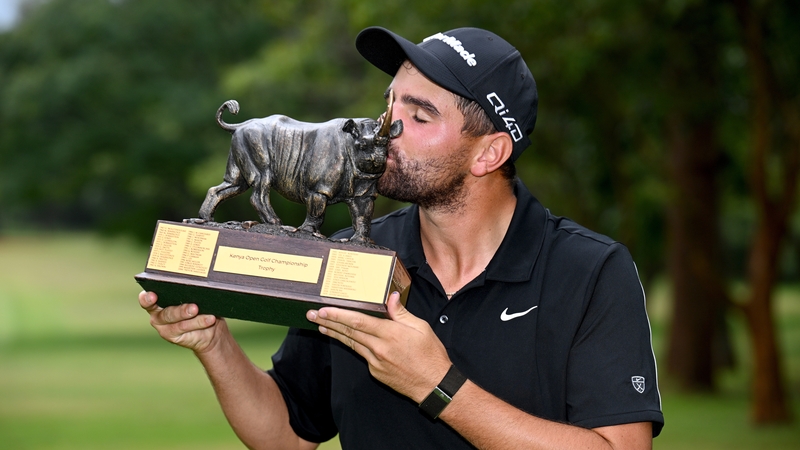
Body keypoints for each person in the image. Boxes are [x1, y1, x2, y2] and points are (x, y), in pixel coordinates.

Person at [140, 26, 664, 449]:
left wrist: (436, 383)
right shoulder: (350, 256)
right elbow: (287, 434)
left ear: (489, 154)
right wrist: (213, 342)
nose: (385, 124)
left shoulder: (591, 271)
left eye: (419, 114)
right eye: (389, 104)